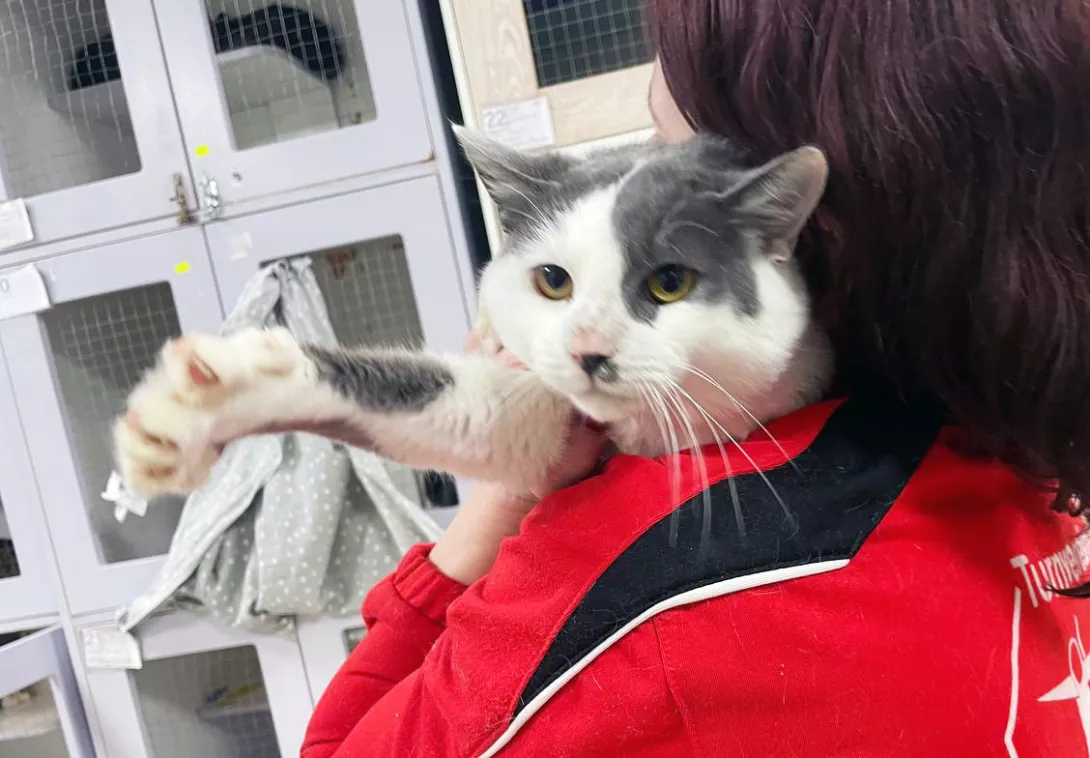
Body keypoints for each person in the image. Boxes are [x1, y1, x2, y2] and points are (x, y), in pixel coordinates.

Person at [301, 1, 1090, 755]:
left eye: (663, 147)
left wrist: (501, 501)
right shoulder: (1028, 439)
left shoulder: (653, 573)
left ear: (793, 216)